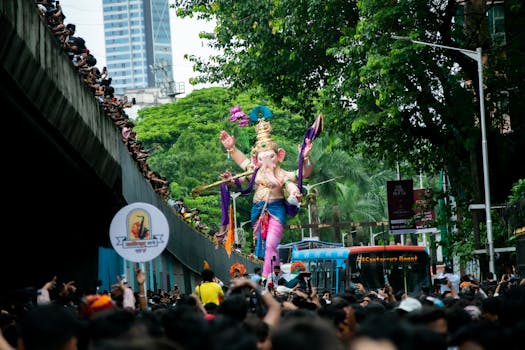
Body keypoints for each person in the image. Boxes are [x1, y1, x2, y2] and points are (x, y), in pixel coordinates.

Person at [219, 107, 322, 278]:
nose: (266, 161)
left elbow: (302, 174)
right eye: (261, 158)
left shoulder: (282, 174)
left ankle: (267, 277)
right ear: (256, 159)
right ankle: (277, 274)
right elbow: (241, 174)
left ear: (279, 156)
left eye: (270, 157)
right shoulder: (254, 171)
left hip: (276, 211)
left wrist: (305, 159)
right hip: (258, 212)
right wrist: (232, 150)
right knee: (269, 246)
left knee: (271, 245)